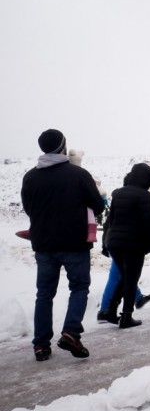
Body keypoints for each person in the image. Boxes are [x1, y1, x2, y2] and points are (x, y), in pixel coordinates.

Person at [21, 129, 106, 360]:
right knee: (78, 287)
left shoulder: (30, 177)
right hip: (74, 243)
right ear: (62, 146)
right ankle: (71, 332)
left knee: (44, 293)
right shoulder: (77, 174)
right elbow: (98, 205)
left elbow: (28, 208)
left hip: (44, 244)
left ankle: (40, 345)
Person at [97, 160, 150, 323]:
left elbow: (111, 219)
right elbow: (149, 222)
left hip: (115, 243)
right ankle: (127, 316)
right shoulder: (144, 195)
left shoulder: (118, 193)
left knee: (125, 276)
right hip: (133, 245)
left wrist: (106, 242)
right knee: (131, 279)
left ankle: (111, 310)